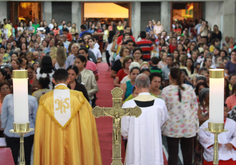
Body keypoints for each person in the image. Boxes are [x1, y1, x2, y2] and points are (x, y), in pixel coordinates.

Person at [33, 69, 102, 165]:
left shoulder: (45, 100)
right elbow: (87, 125)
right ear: (68, 80)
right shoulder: (79, 98)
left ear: (53, 81)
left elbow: (40, 128)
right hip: (74, 142)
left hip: (53, 143)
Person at [121, 74, 168, 165]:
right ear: (149, 85)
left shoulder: (128, 105)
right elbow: (162, 122)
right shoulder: (160, 104)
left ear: (136, 87)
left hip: (135, 146)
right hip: (154, 145)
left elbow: (124, 131)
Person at [161, 67, 199, 165]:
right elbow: (195, 106)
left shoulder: (166, 90)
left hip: (172, 125)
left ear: (170, 76)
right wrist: (193, 120)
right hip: (188, 124)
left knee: (173, 153)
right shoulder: (189, 88)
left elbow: (163, 109)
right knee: (187, 151)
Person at [1, 83, 37, 165]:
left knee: (22, 156)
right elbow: (35, 117)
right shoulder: (8, 98)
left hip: (24, 132)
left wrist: (4, 127)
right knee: (23, 156)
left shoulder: (32, 99)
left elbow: (4, 115)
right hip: (18, 131)